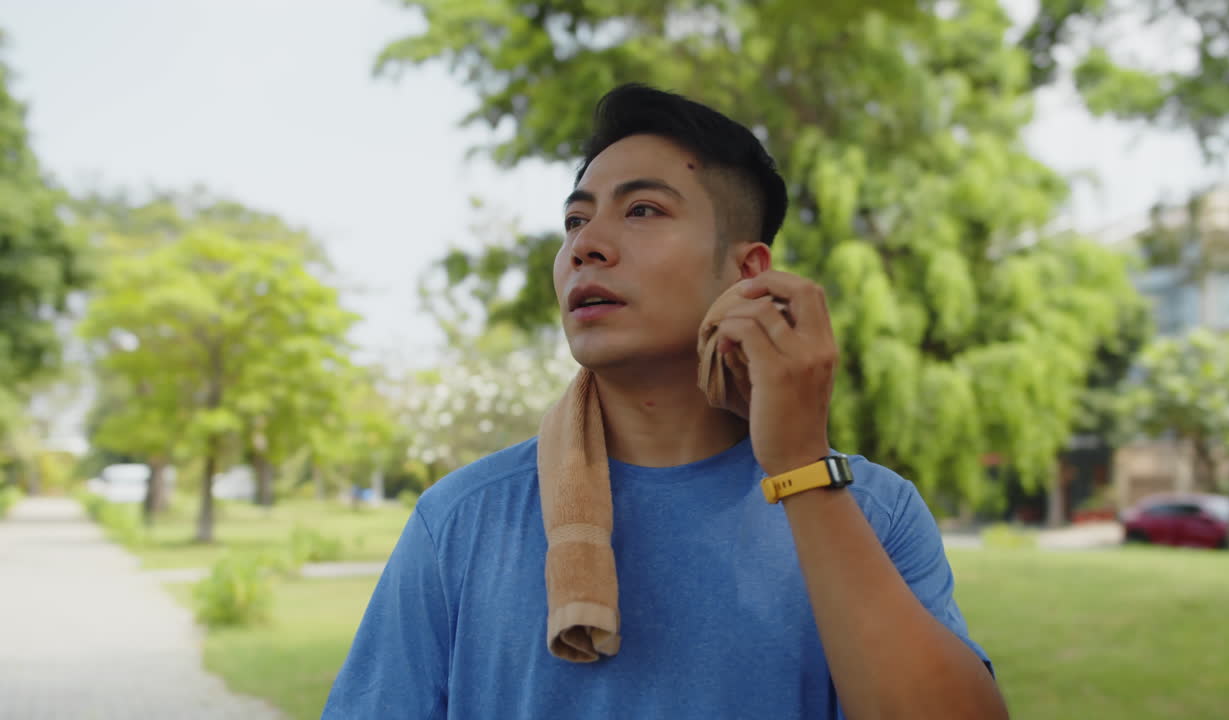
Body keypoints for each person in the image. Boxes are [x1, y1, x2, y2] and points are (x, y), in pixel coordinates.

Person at [323, 84, 1007, 719]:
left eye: (643, 210)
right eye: (574, 221)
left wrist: (800, 465)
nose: (585, 245)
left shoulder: (873, 512)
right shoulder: (463, 522)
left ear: (747, 273)